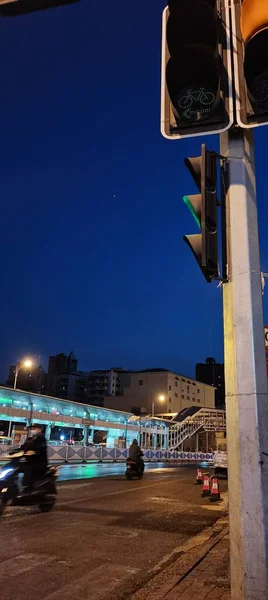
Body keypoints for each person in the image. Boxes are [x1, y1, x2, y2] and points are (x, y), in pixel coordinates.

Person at [20, 424, 48, 491]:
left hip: (39, 462)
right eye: (32, 429)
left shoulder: (42, 439)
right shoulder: (30, 439)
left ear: (39, 430)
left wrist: (34, 452)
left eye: (34, 429)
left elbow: (42, 449)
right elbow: (23, 447)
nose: (32, 430)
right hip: (29, 460)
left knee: (28, 468)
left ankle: (28, 487)